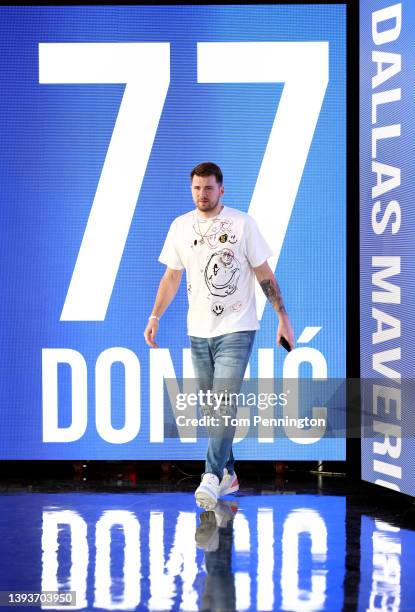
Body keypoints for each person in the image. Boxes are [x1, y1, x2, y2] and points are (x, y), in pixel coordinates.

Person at [144, 162, 294, 510]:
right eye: (197, 188)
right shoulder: (181, 227)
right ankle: (228, 472)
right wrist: (155, 316)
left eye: (209, 188)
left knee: (225, 401)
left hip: (238, 327)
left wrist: (282, 317)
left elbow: (264, 273)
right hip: (198, 331)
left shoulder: (242, 224)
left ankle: (210, 476)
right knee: (214, 409)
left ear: (221, 190)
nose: (202, 194)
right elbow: (171, 277)